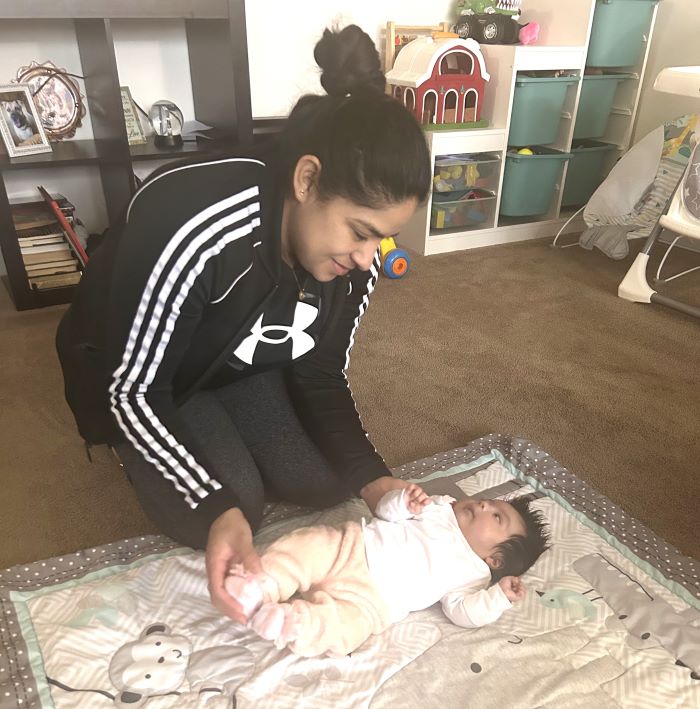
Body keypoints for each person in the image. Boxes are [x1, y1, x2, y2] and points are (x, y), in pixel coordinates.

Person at [54, 24, 432, 624]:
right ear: (306, 181)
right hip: (146, 378)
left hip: (240, 362)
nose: (367, 257)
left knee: (330, 482)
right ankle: (155, 452)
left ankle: (233, 423)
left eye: (381, 239)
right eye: (360, 232)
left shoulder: (356, 258)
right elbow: (133, 387)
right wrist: (215, 503)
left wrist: (374, 480)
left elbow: (321, 371)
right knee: (228, 509)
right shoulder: (201, 225)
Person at [224, 486, 551, 657]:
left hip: (372, 601)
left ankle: (294, 624)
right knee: (305, 546)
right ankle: (261, 585)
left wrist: (497, 599)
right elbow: (385, 513)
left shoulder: (473, 576)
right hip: (350, 547)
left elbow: (463, 614)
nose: (484, 505)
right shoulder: (441, 506)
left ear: (495, 560)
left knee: (347, 631)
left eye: (496, 518)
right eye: (491, 502)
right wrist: (404, 503)